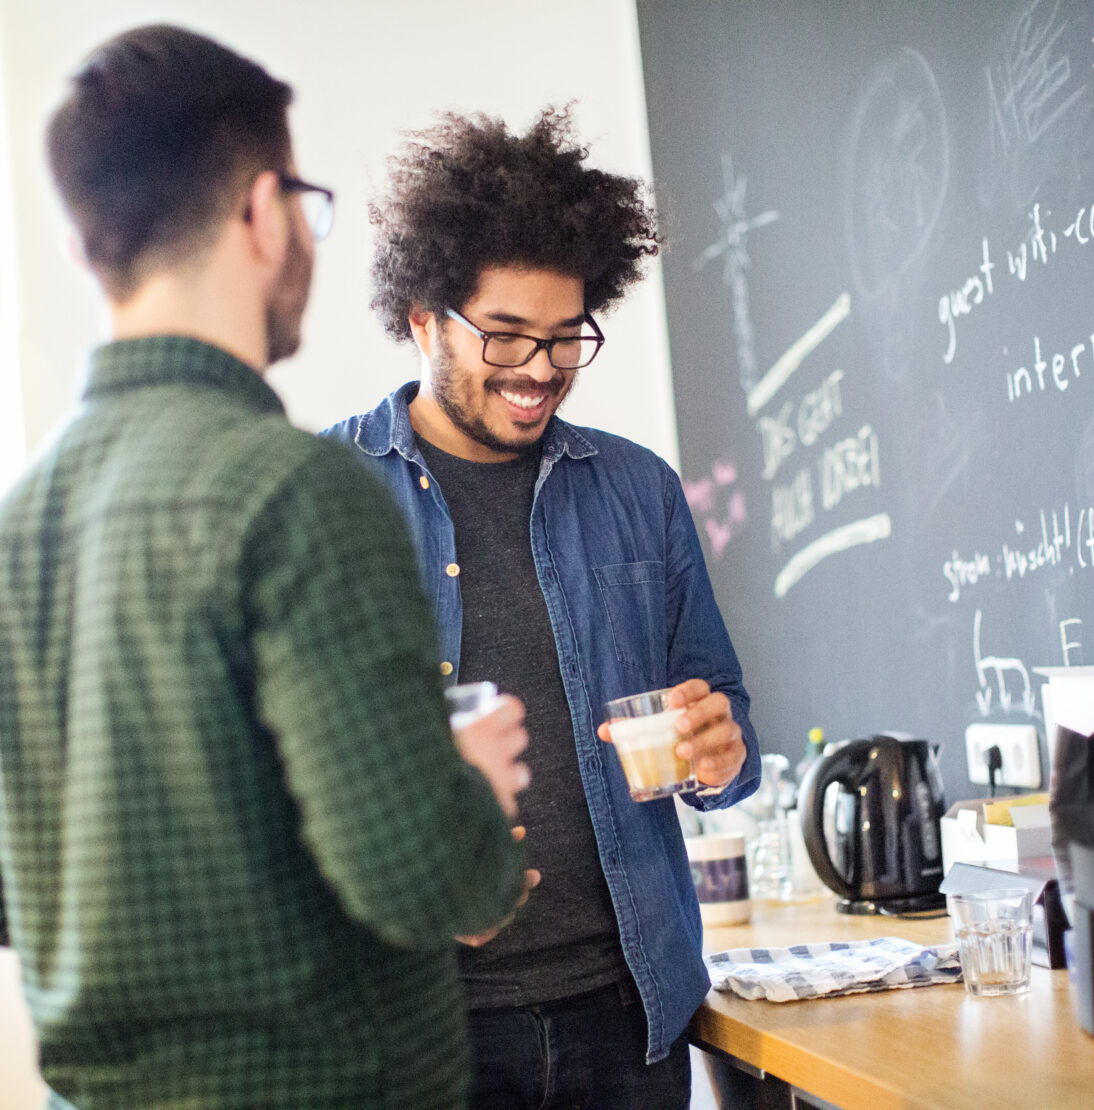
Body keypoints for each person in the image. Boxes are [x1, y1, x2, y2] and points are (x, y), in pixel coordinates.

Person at [0, 26, 529, 1110]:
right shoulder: (299, 493)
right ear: (261, 209)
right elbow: (426, 878)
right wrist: (461, 781)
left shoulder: (17, 527)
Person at [322, 107, 762, 1109]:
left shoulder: (639, 490)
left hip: (627, 1015)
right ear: (423, 318)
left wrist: (719, 751)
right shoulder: (323, 491)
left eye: (566, 339)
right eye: (506, 336)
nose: (539, 371)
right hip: (419, 1027)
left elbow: (726, 724)